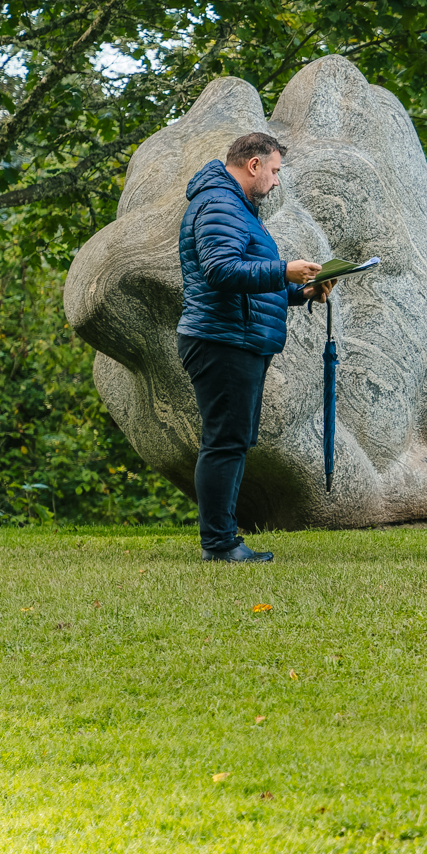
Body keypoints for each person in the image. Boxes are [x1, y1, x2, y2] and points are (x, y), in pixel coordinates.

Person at [177, 133, 330, 563]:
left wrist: (303, 291)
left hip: (236, 337)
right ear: (254, 165)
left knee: (232, 440)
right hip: (220, 338)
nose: (277, 182)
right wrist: (285, 269)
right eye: (276, 171)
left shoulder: (237, 207)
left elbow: (247, 280)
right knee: (224, 441)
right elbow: (221, 271)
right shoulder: (220, 204)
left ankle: (223, 540)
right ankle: (221, 545)